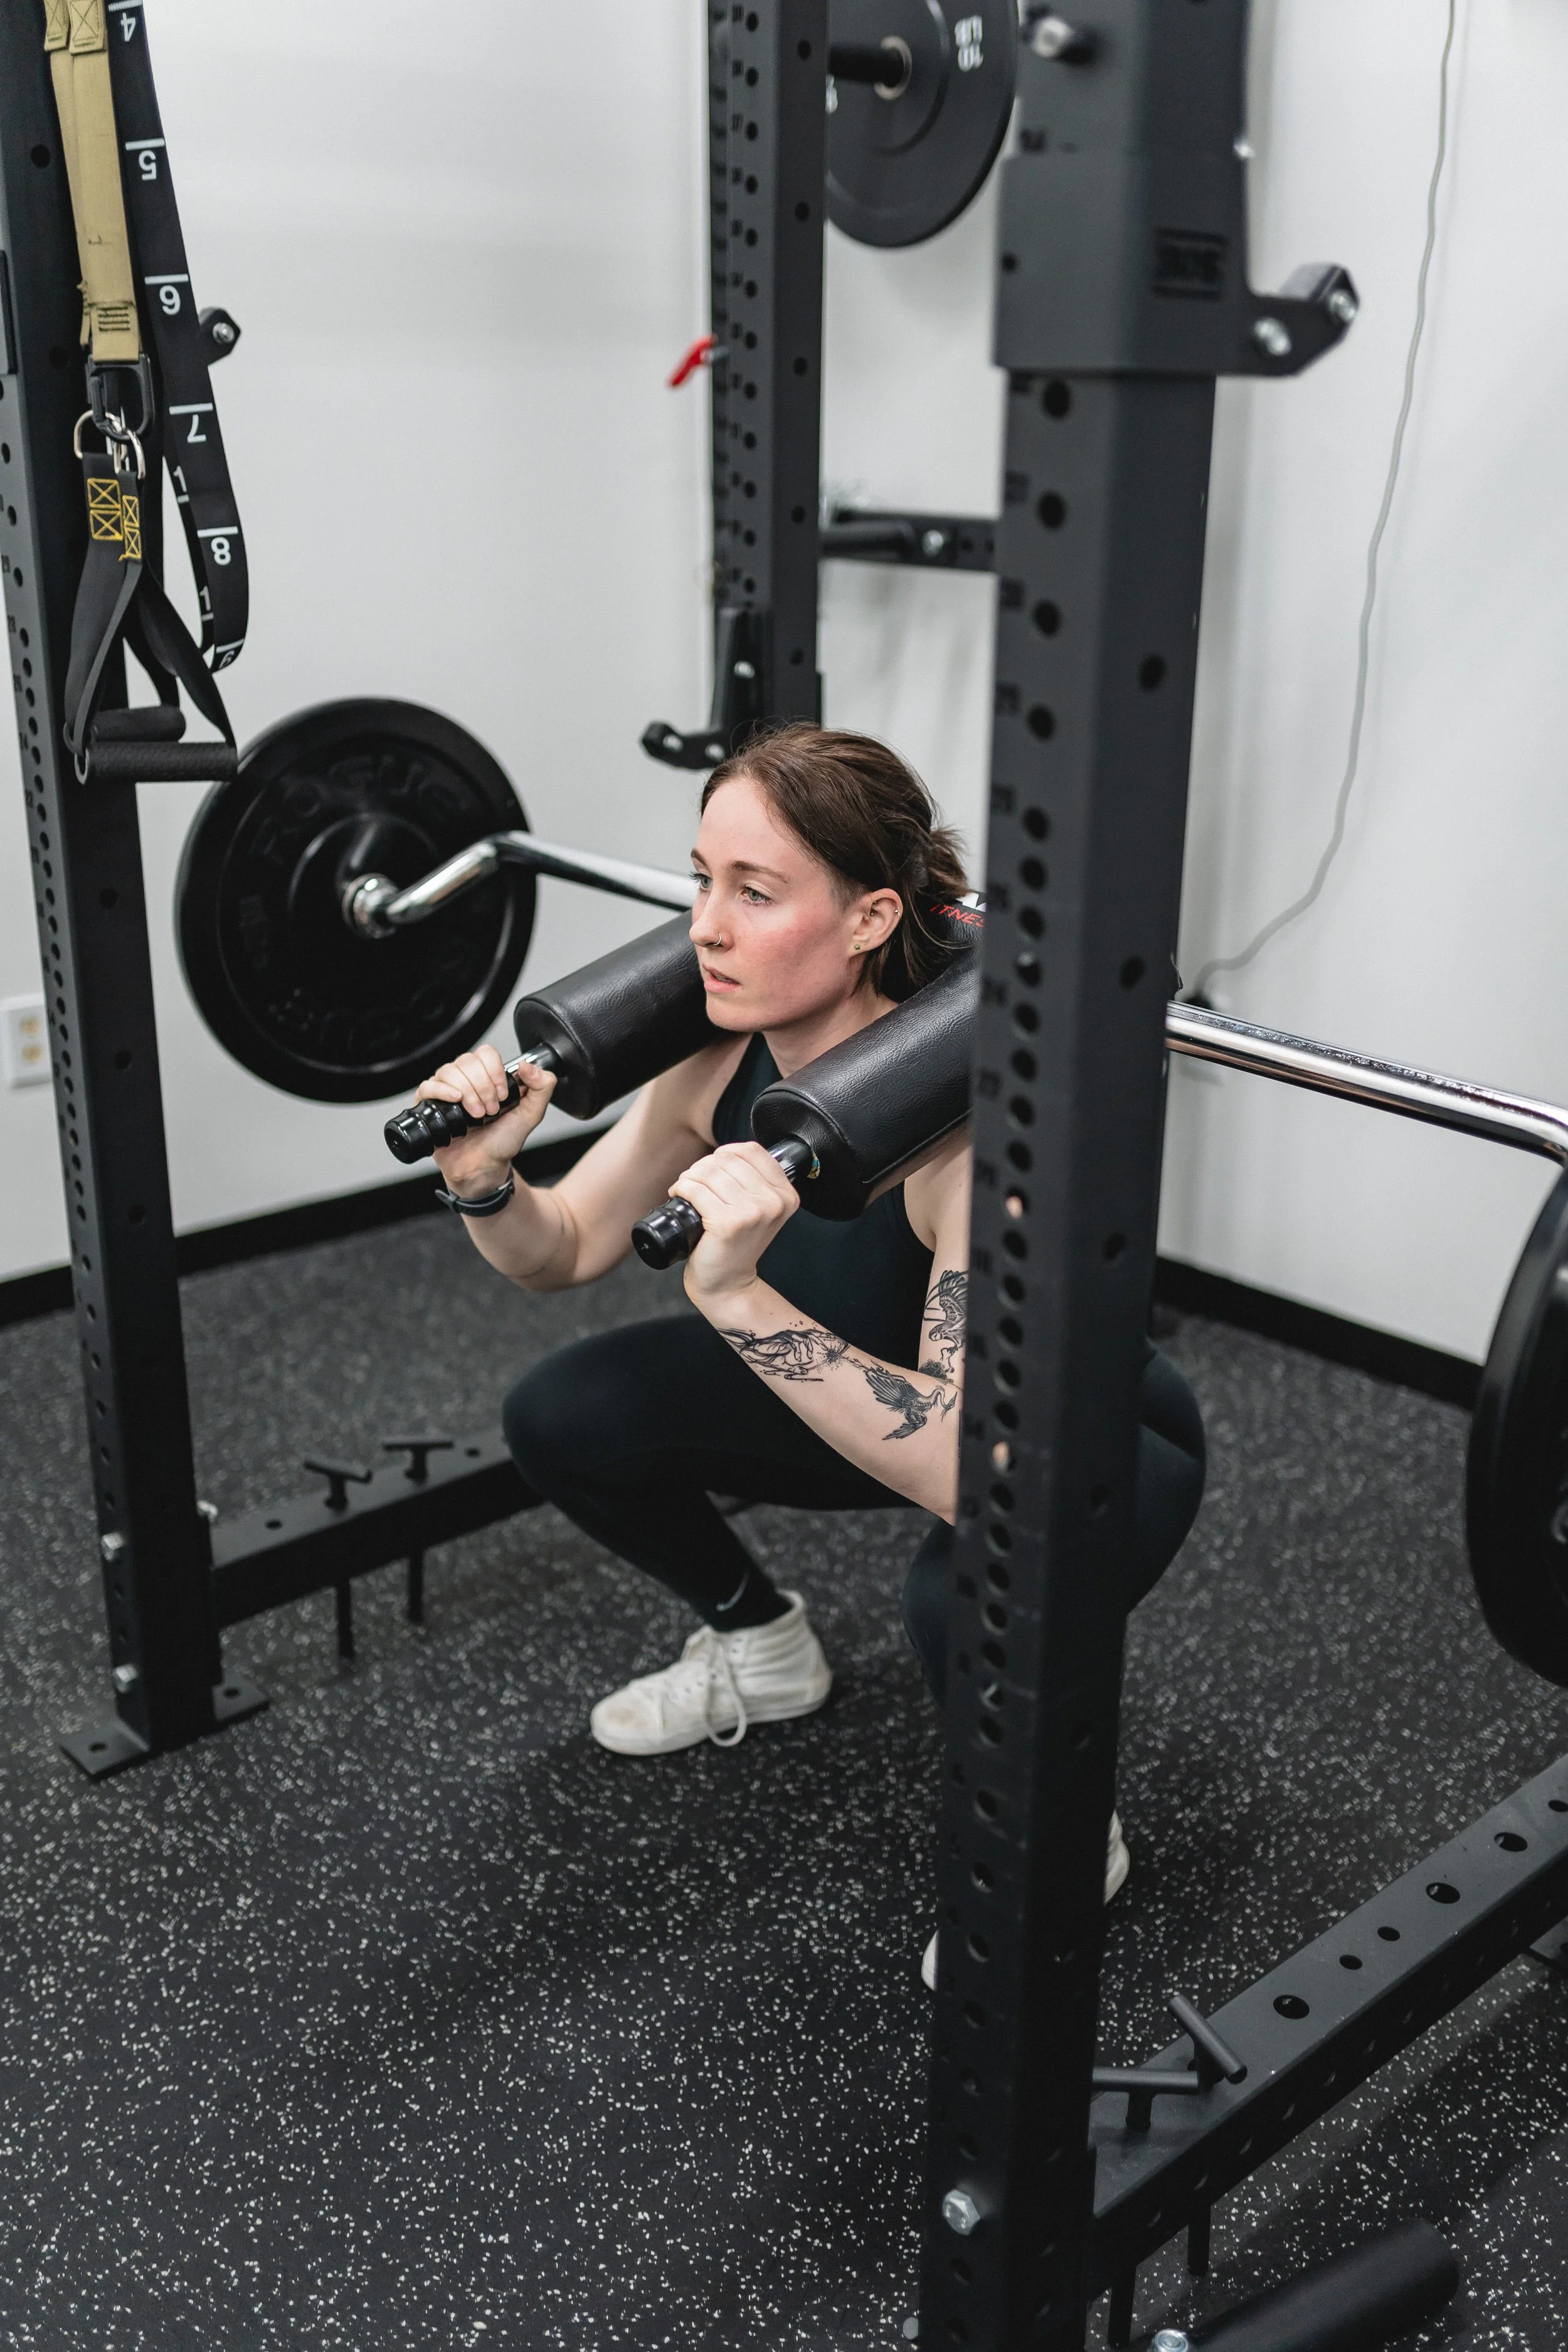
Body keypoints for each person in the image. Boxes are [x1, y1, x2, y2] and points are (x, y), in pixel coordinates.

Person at [414, 724, 1204, 1938]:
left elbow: (961, 1472)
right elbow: (564, 1244)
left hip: (1078, 1455)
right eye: (700, 880)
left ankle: (1061, 1817)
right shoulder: (718, 1058)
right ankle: (761, 1647)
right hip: (857, 1398)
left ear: (871, 918)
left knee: (960, 1602)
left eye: (755, 892)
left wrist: (735, 1298)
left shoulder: (965, 1139)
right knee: (562, 1415)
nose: (705, 928)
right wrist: (482, 1181)